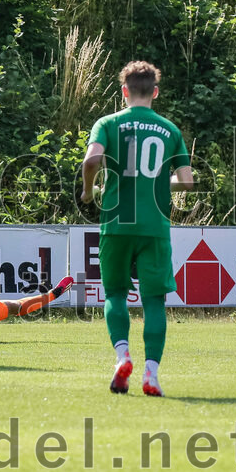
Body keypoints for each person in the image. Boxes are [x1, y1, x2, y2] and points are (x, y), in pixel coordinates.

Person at [81, 61, 193, 397]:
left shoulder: (108, 123)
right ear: (155, 92)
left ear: (124, 91)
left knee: (115, 294)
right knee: (154, 300)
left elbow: (91, 161)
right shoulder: (170, 130)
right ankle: (152, 375)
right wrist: (158, 181)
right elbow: (187, 182)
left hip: (116, 223)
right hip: (154, 225)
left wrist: (88, 191)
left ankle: (121, 356)